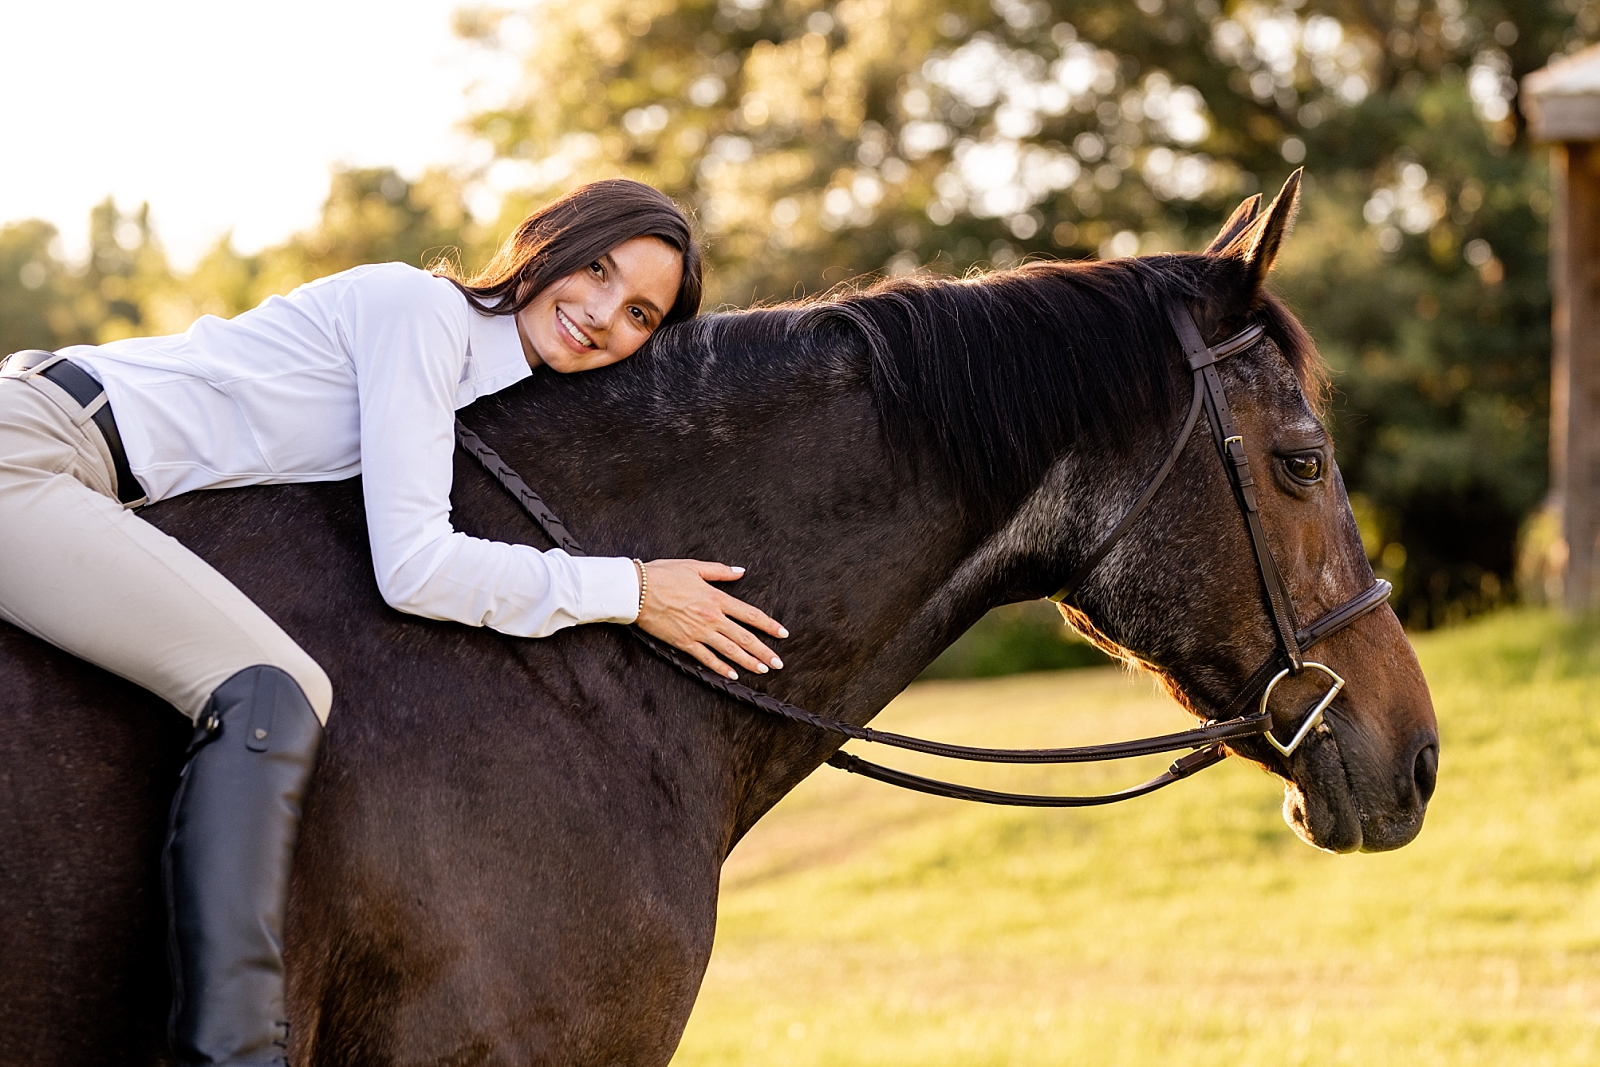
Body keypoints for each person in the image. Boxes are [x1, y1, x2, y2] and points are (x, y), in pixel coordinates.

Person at [0, 178, 785, 1066]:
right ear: (548, 242)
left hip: (72, 466)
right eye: (597, 269)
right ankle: (232, 1051)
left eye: (640, 313)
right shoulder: (424, 315)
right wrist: (632, 590)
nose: (604, 313)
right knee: (271, 686)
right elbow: (417, 566)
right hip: (32, 451)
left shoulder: (466, 381)